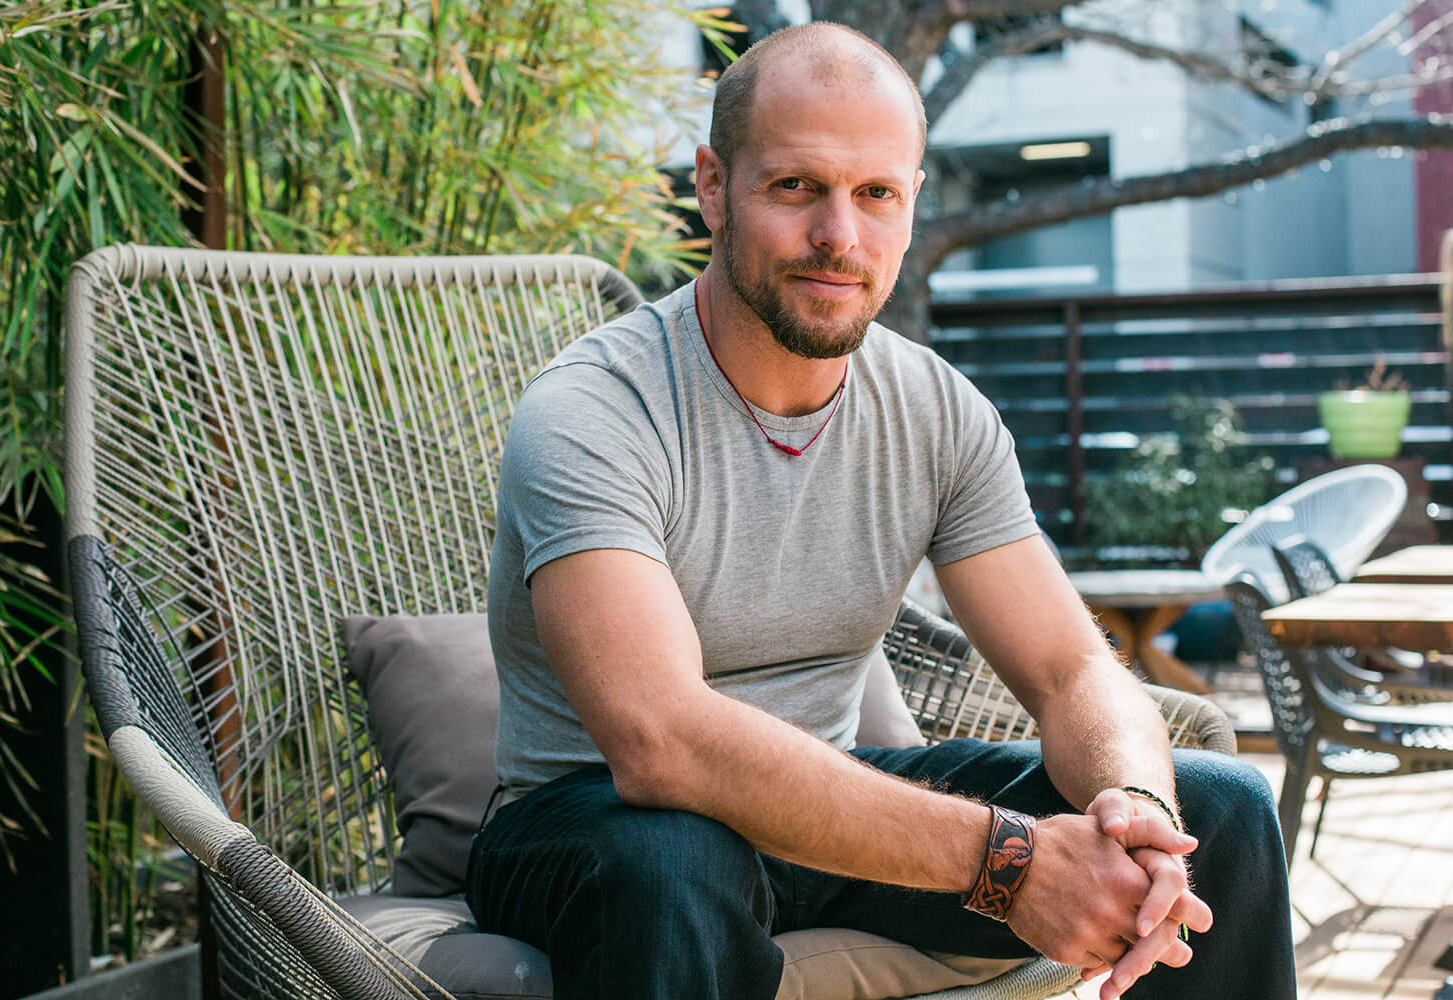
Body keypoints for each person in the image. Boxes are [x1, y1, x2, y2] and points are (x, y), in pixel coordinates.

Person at [470, 21, 1294, 1000]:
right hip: (594, 824)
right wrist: (1012, 860)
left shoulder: (936, 410)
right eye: (795, 187)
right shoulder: (596, 409)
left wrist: (1137, 812)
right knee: (678, 859)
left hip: (828, 808)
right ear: (711, 186)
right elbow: (662, 740)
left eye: (876, 194)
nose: (839, 235)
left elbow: (1071, 667)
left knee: (1226, 808)